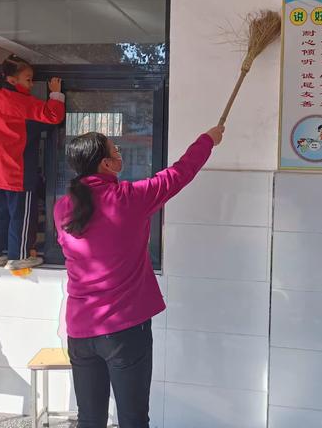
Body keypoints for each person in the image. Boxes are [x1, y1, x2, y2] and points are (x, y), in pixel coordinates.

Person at [53, 126, 224, 428]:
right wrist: (207, 140)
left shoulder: (62, 207)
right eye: (114, 149)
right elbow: (179, 174)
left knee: (89, 419)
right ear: (105, 164)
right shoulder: (129, 198)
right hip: (124, 330)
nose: (119, 152)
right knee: (132, 419)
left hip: (79, 330)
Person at [0, 54, 65, 271]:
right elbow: (53, 116)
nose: (32, 84)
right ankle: (19, 256)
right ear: (12, 80)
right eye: (28, 79)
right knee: (21, 216)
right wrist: (55, 93)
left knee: (1, 214)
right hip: (17, 172)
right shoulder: (22, 103)